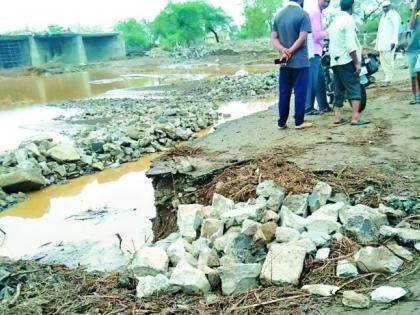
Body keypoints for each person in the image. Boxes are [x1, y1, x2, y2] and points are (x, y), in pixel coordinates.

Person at [271, 0, 313, 129]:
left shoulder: (278, 15)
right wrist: (291, 50)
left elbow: (273, 38)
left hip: (284, 62)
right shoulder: (303, 14)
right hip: (300, 62)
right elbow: (302, 38)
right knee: (300, 92)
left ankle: (281, 122)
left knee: (284, 92)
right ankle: (299, 122)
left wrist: (283, 50)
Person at [328, 0, 369, 125]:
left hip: (335, 61)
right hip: (346, 59)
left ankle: (337, 117)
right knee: (354, 87)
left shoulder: (334, 22)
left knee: (338, 89)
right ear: (352, 6)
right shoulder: (348, 21)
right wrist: (356, 63)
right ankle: (355, 117)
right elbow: (351, 46)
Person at [305, 0, 331, 115]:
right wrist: (327, 31)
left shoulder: (318, 13)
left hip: (317, 51)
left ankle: (323, 105)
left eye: (328, 1)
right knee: (313, 79)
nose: (326, 3)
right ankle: (308, 107)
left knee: (320, 79)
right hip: (314, 50)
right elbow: (316, 35)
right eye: (325, 0)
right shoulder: (315, 13)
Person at [375, 0, 401, 86]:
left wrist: (394, 41)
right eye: (383, 7)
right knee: (383, 61)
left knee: (388, 60)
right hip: (382, 43)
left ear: (390, 6)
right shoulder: (383, 16)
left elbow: (396, 28)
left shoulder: (393, 14)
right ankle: (387, 77)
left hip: (389, 43)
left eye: (386, 6)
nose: (385, 8)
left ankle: (389, 79)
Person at [406, 0, 420, 104]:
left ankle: (418, 95)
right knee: (413, 74)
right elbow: (411, 26)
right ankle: (414, 95)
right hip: (412, 48)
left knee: (418, 71)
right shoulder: (416, 14)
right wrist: (414, 10)